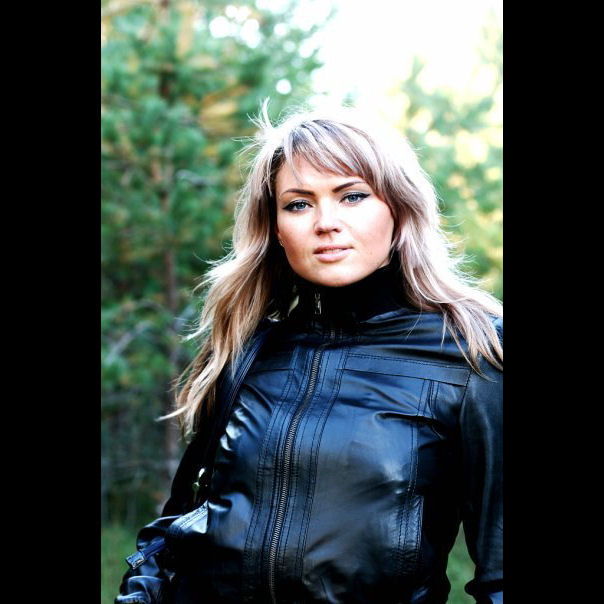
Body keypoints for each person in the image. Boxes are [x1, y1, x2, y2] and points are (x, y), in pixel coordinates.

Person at [116, 103, 503, 604]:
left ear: (399, 209)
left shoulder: (473, 352)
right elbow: (185, 520)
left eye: (352, 196)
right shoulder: (248, 344)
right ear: (277, 229)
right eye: (298, 204)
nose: (325, 222)